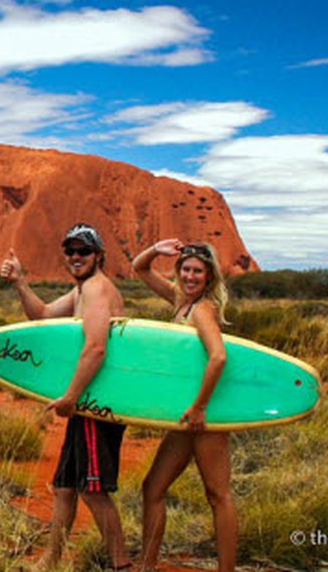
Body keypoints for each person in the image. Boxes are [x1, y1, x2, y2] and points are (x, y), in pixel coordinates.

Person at [0, 223, 131, 571]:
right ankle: (50, 561)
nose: (75, 257)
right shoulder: (81, 291)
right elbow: (41, 316)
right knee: (63, 487)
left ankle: (121, 564)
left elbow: (96, 348)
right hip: (86, 403)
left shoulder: (97, 290)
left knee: (92, 488)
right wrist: (21, 283)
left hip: (97, 405)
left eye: (83, 251)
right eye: (70, 251)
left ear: (98, 256)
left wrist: (70, 397)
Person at [131, 239, 237, 572]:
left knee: (218, 494)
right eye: (186, 269)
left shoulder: (202, 309)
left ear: (209, 278)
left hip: (205, 417)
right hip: (186, 416)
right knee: (153, 487)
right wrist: (156, 249)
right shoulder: (181, 302)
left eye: (198, 272)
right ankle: (147, 565)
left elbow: (219, 356)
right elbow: (139, 269)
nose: (191, 277)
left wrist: (201, 406)